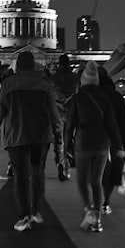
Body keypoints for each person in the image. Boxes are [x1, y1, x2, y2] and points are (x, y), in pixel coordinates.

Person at [0, 50, 59, 232]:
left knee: (21, 177)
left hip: (17, 135)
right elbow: (54, 111)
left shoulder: (9, 83)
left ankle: (24, 216)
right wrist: (58, 132)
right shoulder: (44, 83)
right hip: (41, 135)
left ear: (18, 66)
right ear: (34, 64)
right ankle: (37, 210)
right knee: (38, 172)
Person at [64, 61, 122, 233]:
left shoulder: (77, 98)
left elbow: (69, 126)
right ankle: (97, 219)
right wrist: (118, 145)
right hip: (102, 144)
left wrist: (67, 147)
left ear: (82, 80)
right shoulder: (105, 99)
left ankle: (88, 211)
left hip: (83, 143)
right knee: (96, 181)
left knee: (82, 181)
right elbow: (112, 125)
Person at [97, 65, 125, 215]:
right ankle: (106, 202)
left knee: (96, 170)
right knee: (111, 171)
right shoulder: (116, 96)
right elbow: (124, 120)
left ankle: (96, 201)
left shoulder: (89, 94)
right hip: (114, 137)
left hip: (94, 136)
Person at [49, 53, 79, 181]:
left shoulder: (53, 79)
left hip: (57, 112)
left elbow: (49, 97)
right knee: (70, 138)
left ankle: (60, 163)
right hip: (71, 112)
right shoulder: (75, 78)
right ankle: (68, 164)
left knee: (58, 140)